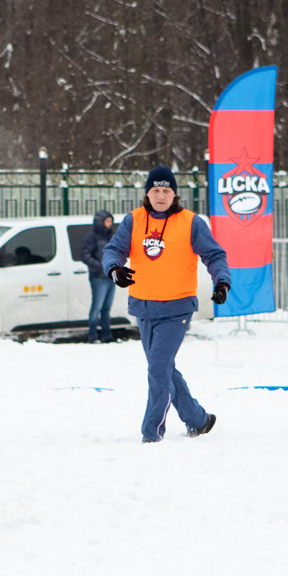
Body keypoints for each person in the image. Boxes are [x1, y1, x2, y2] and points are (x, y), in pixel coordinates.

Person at [102, 165, 231, 441]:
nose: (161, 196)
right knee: (164, 369)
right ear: (147, 194)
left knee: (158, 368)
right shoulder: (133, 220)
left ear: (175, 194)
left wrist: (222, 282)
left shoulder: (191, 222)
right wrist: (115, 270)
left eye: (166, 190)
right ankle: (198, 419)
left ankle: (151, 432)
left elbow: (214, 255)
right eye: (156, 190)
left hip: (177, 309)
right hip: (143, 307)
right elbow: (114, 250)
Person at [83, 210, 119, 342]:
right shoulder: (92, 238)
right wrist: (99, 265)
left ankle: (107, 335)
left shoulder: (111, 236)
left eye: (111, 221)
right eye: (107, 221)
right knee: (96, 307)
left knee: (106, 308)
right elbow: (84, 254)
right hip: (98, 277)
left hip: (111, 276)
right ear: (100, 222)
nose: (110, 223)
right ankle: (92, 335)